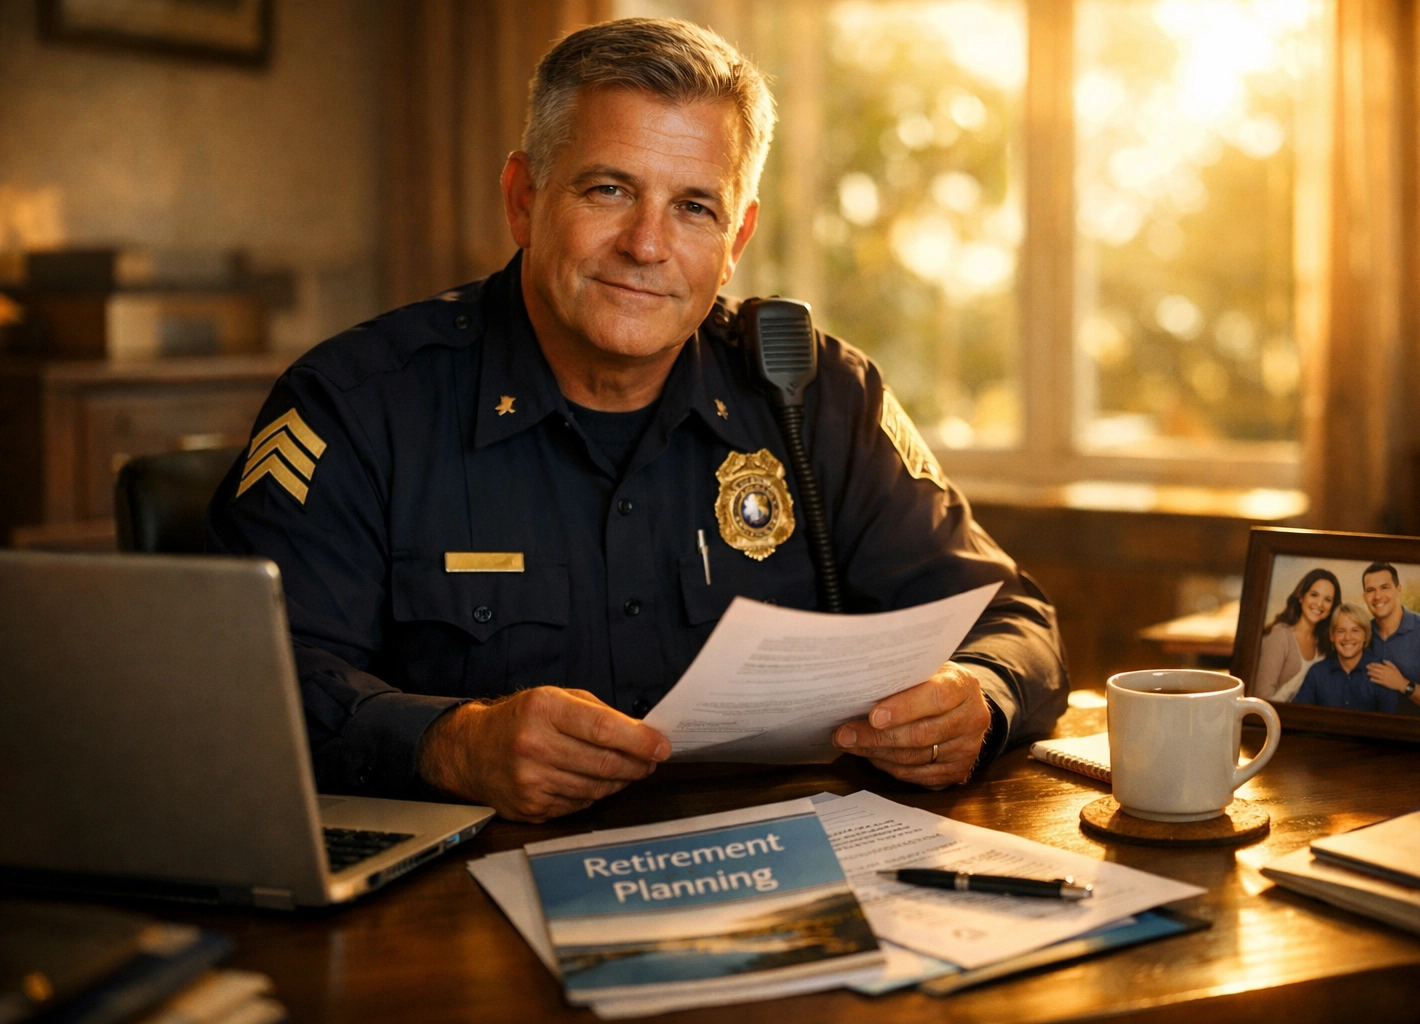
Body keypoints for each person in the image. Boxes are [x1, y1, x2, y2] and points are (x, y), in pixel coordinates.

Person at [206, 18, 1068, 823]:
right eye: (610, 189)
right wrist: (450, 743)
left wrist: (977, 696)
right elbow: (249, 683)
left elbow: (1012, 619)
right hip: (458, 908)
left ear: (736, 239)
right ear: (522, 198)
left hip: (778, 865)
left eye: (695, 206)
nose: (647, 246)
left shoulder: (816, 392)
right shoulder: (356, 404)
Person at [1360, 562, 1420, 717]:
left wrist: (1402, 684)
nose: (1377, 596)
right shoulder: (1360, 635)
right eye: (1370, 590)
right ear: (1364, 597)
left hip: (1419, 734)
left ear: (1398, 590)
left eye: (1384, 587)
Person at [1251, 568, 1340, 702]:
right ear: (1301, 596)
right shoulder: (1280, 635)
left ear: (1332, 607)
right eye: (1314, 595)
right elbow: (1262, 697)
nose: (1320, 604)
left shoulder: (1324, 643)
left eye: (1327, 599)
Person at [1292, 604, 1396, 712]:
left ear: (1365, 635)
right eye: (1341, 631)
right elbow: (1299, 717)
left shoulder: (1381, 673)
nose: (1347, 637)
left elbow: (1390, 724)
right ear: (1332, 636)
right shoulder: (1317, 673)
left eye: (1355, 630)